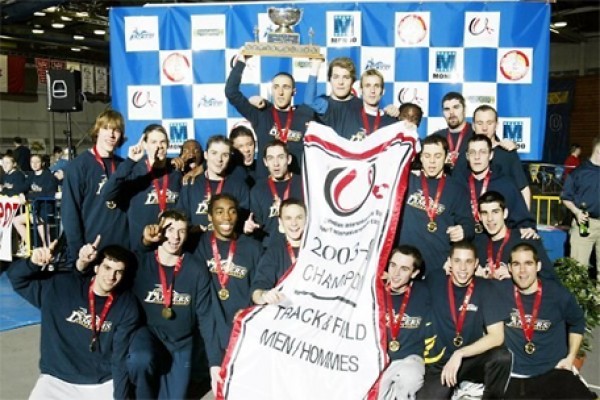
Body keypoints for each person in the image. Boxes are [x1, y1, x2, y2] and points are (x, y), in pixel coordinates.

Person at [8, 240, 140, 400]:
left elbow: (119, 358)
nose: (111, 276)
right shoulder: (61, 287)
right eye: (107, 268)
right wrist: (32, 263)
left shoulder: (126, 306)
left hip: (100, 383)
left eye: (118, 272)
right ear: (96, 268)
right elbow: (16, 278)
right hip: (55, 381)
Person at [126, 210, 222, 400]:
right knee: (140, 360)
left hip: (180, 343)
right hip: (148, 337)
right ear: (159, 229)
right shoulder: (140, 263)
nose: (175, 237)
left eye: (181, 231)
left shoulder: (196, 269)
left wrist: (215, 364)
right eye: (170, 229)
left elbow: (206, 317)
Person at [500, 243, 596, 399]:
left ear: (538, 266)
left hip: (552, 373)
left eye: (528, 263)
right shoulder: (499, 292)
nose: (522, 271)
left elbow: (577, 322)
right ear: (509, 268)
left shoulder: (557, 294)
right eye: (517, 264)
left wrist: (571, 357)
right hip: (513, 376)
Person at [419, 241, 511, 399]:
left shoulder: (486, 288)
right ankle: (457, 389)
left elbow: (497, 336)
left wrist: (460, 353)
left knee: (502, 357)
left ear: (476, 264)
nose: (462, 268)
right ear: (449, 262)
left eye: (468, 261)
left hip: (469, 358)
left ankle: (482, 394)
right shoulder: (435, 280)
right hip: (440, 363)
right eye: (457, 261)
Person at [195, 194, 262, 389]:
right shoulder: (198, 245)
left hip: (240, 330)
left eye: (232, 211)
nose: (226, 217)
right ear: (209, 216)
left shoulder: (253, 248)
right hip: (210, 330)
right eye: (219, 211)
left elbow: (261, 286)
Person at [225, 52, 313, 177]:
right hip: (265, 188)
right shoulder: (261, 114)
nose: (280, 92)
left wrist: (315, 66)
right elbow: (231, 92)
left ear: (294, 92)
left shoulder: (303, 115)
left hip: (295, 187)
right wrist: (241, 62)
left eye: (286, 87)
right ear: (271, 90)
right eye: (276, 87)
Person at [397, 134, 474, 276]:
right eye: (427, 155)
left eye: (437, 156)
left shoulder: (457, 188)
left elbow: (469, 225)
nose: (432, 161)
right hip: (405, 268)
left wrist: (463, 231)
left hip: (440, 267)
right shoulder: (406, 181)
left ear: (446, 158)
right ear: (420, 157)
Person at [61, 110, 129, 262]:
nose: (111, 135)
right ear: (97, 131)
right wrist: (79, 253)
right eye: (106, 128)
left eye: (116, 130)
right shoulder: (78, 166)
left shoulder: (124, 166)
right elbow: (70, 213)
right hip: (92, 250)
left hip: (123, 250)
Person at [102, 124, 182, 250]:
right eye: (153, 142)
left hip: (171, 246)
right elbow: (107, 194)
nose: (159, 146)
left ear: (168, 144)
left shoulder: (176, 173)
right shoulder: (133, 171)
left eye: (163, 142)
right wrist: (130, 161)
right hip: (141, 250)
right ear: (145, 145)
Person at [378, 245, 430, 400]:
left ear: (414, 273)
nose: (395, 273)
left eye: (404, 269)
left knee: (409, 377)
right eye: (393, 265)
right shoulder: (375, 290)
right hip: (380, 359)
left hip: (410, 358)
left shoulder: (425, 292)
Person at [305, 59, 397, 140]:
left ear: (353, 81)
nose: (340, 82)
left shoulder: (362, 104)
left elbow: (376, 116)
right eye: (336, 77)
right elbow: (309, 100)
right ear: (329, 79)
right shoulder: (326, 105)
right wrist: (315, 66)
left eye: (346, 77)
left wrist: (390, 111)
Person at [474, 191, 555, 282]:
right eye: (485, 213)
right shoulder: (477, 244)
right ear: (479, 217)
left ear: (505, 213)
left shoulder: (526, 240)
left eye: (495, 212)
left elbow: (551, 280)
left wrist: (517, 276)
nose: (490, 219)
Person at [176, 135, 250, 235]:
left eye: (225, 155)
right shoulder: (191, 185)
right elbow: (180, 219)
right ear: (206, 155)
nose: (219, 159)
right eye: (214, 153)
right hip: (197, 247)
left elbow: (244, 223)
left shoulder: (239, 186)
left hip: (229, 248)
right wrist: (191, 229)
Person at [464, 135, 536, 234]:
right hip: (467, 245)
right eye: (473, 153)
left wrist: (527, 230)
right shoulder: (458, 185)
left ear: (491, 155)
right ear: (467, 156)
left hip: (498, 245)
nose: (477, 157)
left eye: (482, 152)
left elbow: (522, 221)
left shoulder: (506, 185)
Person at [472, 105, 531, 209]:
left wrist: (525, 221)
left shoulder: (508, 153)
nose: (484, 128)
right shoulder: (466, 154)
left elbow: (523, 189)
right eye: (480, 123)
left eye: (489, 123)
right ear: (473, 126)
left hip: (504, 219)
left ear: (496, 125)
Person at [245, 140, 303, 245]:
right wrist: (249, 229)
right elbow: (256, 225)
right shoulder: (258, 190)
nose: (276, 163)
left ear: (288, 159)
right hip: (270, 250)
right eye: (271, 158)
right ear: (265, 162)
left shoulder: (303, 184)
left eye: (280, 157)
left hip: (300, 247)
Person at [251, 198, 306, 305]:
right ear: (280, 222)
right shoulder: (274, 252)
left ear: (307, 220)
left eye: (299, 217)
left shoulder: (317, 249)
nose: (294, 223)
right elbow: (257, 290)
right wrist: (264, 296)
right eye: (288, 218)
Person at [561, 136, 600, 274]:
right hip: (584, 224)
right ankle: (578, 296)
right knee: (578, 270)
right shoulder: (579, 172)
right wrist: (577, 212)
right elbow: (565, 197)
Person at [12, 154, 58, 251]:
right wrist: (21, 193)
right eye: (32, 162)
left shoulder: (49, 176)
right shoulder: (31, 175)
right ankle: (31, 244)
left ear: (42, 163)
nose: (34, 164)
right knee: (16, 220)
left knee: (45, 238)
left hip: (45, 211)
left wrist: (28, 196)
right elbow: (22, 187)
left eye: (37, 162)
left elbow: (49, 194)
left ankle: (49, 255)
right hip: (34, 211)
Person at [431, 92, 473, 173]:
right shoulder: (436, 137)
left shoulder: (477, 135)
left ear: (464, 109)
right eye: (447, 109)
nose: (451, 112)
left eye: (456, 107)